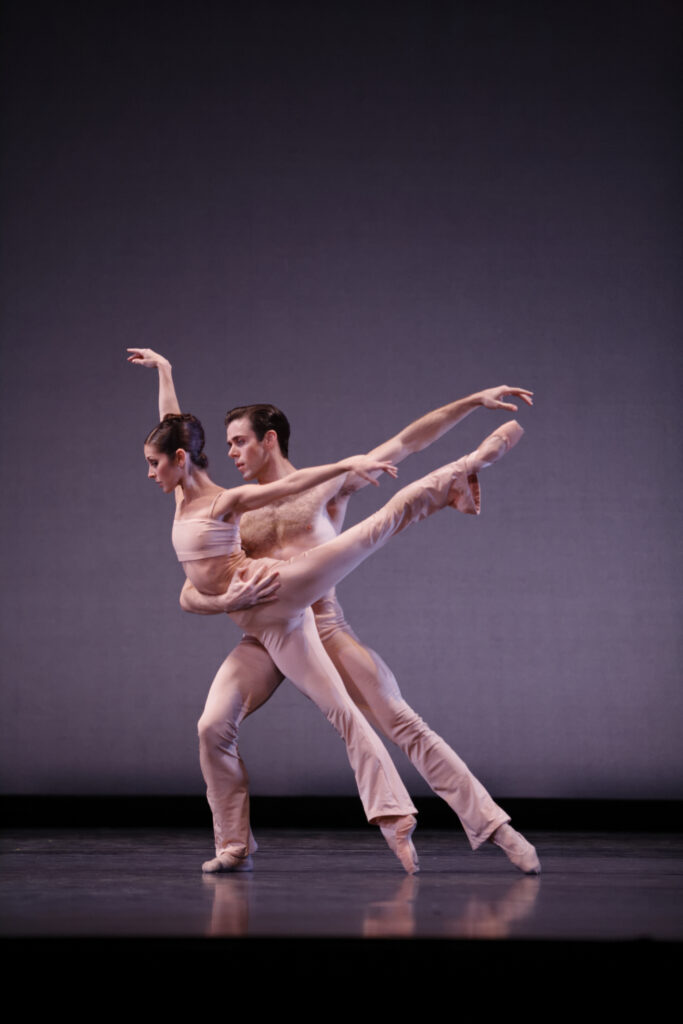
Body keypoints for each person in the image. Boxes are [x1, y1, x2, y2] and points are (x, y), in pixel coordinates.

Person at [130, 349, 541, 877]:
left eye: (239, 442)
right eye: (226, 443)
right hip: (264, 637)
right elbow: (192, 573)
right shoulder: (230, 505)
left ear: (268, 439)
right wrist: (218, 601)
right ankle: (233, 842)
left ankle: (498, 830)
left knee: (399, 720)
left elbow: (407, 442)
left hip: (324, 627)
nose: (230, 453)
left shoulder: (323, 484)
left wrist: (471, 402)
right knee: (212, 727)